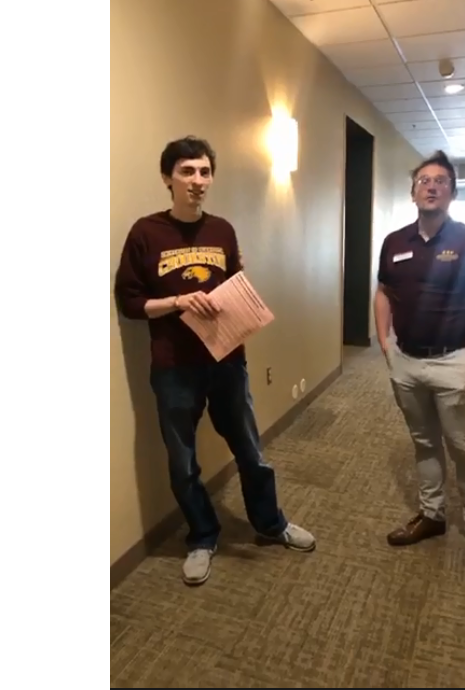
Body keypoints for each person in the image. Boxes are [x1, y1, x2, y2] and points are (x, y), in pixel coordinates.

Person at [114, 136, 316, 587]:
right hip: (174, 367)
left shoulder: (222, 230)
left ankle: (271, 523)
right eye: (187, 171)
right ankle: (202, 536)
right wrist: (177, 301)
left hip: (226, 359)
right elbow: (129, 302)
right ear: (167, 178)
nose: (197, 181)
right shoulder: (146, 233)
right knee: (183, 462)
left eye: (205, 172)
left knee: (251, 452)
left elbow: (234, 286)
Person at [374, 150, 465, 588]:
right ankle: (432, 515)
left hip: (455, 361)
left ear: (452, 193)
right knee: (424, 443)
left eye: (441, 181)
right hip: (406, 361)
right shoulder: (394, 242)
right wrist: (386, 344)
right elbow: (384, 292)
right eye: (424, 180)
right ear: (413, 192)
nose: (431, 186)